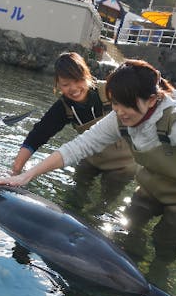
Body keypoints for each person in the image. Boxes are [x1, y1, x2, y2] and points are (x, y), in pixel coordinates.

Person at [0, 59, 176, 288]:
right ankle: (130, 272)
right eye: (115, 103)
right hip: (152, 183)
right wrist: (25, 176)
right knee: (130, 226)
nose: (120, 111)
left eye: (127, 104)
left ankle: (159, 274)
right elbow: (78, 147)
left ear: (150, 100)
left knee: (165, 242)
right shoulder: (118, 119)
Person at [10, 52, 137, 204]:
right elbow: (39, 134)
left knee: (104, 202)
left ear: (87, 75)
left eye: (78, 80)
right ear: (57, 84)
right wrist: (16, 170)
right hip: (91, 158)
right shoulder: (64, 107)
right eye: (65, 84)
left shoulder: (110, 91)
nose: (74, 89)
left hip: (123, 165)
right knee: (75, 197)